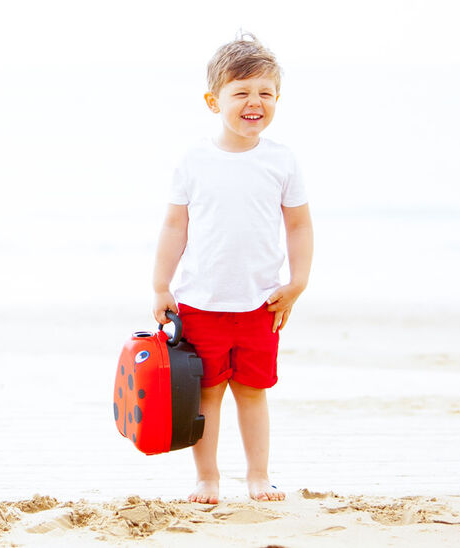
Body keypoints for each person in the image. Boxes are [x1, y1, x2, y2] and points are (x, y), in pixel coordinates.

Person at [151, 31, 314, 504]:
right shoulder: (193, 159)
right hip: (200, 302)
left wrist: (298, 282)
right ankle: (207, 479)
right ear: (213, 100)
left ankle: (258, 476)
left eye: (265, 92)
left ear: (277, 98)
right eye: (241, 92)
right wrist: (160, 285)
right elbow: (174, 226)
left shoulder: (282, 161)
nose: (254, 102)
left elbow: (299, 227)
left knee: (252, 392)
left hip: (260, 304)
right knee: (207, 396)